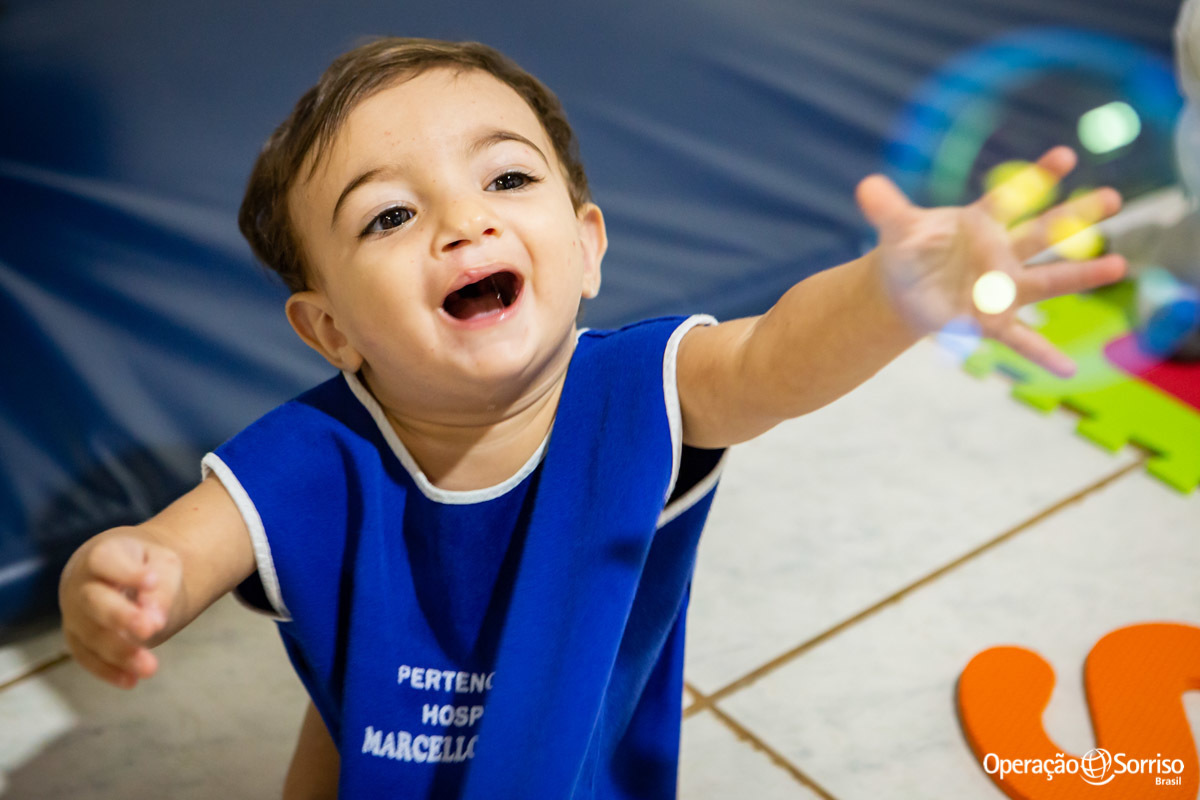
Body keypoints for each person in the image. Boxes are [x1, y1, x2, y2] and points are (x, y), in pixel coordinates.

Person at [57, 38, 1125, 799]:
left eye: (506, 177)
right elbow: (178, 544)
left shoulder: (643, 392)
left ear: (589, 246)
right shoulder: (311, 452)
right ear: (330, 326)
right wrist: (119, 573)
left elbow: (774, 355)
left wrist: (891, 294)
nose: (462, 219)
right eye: (390, 213)